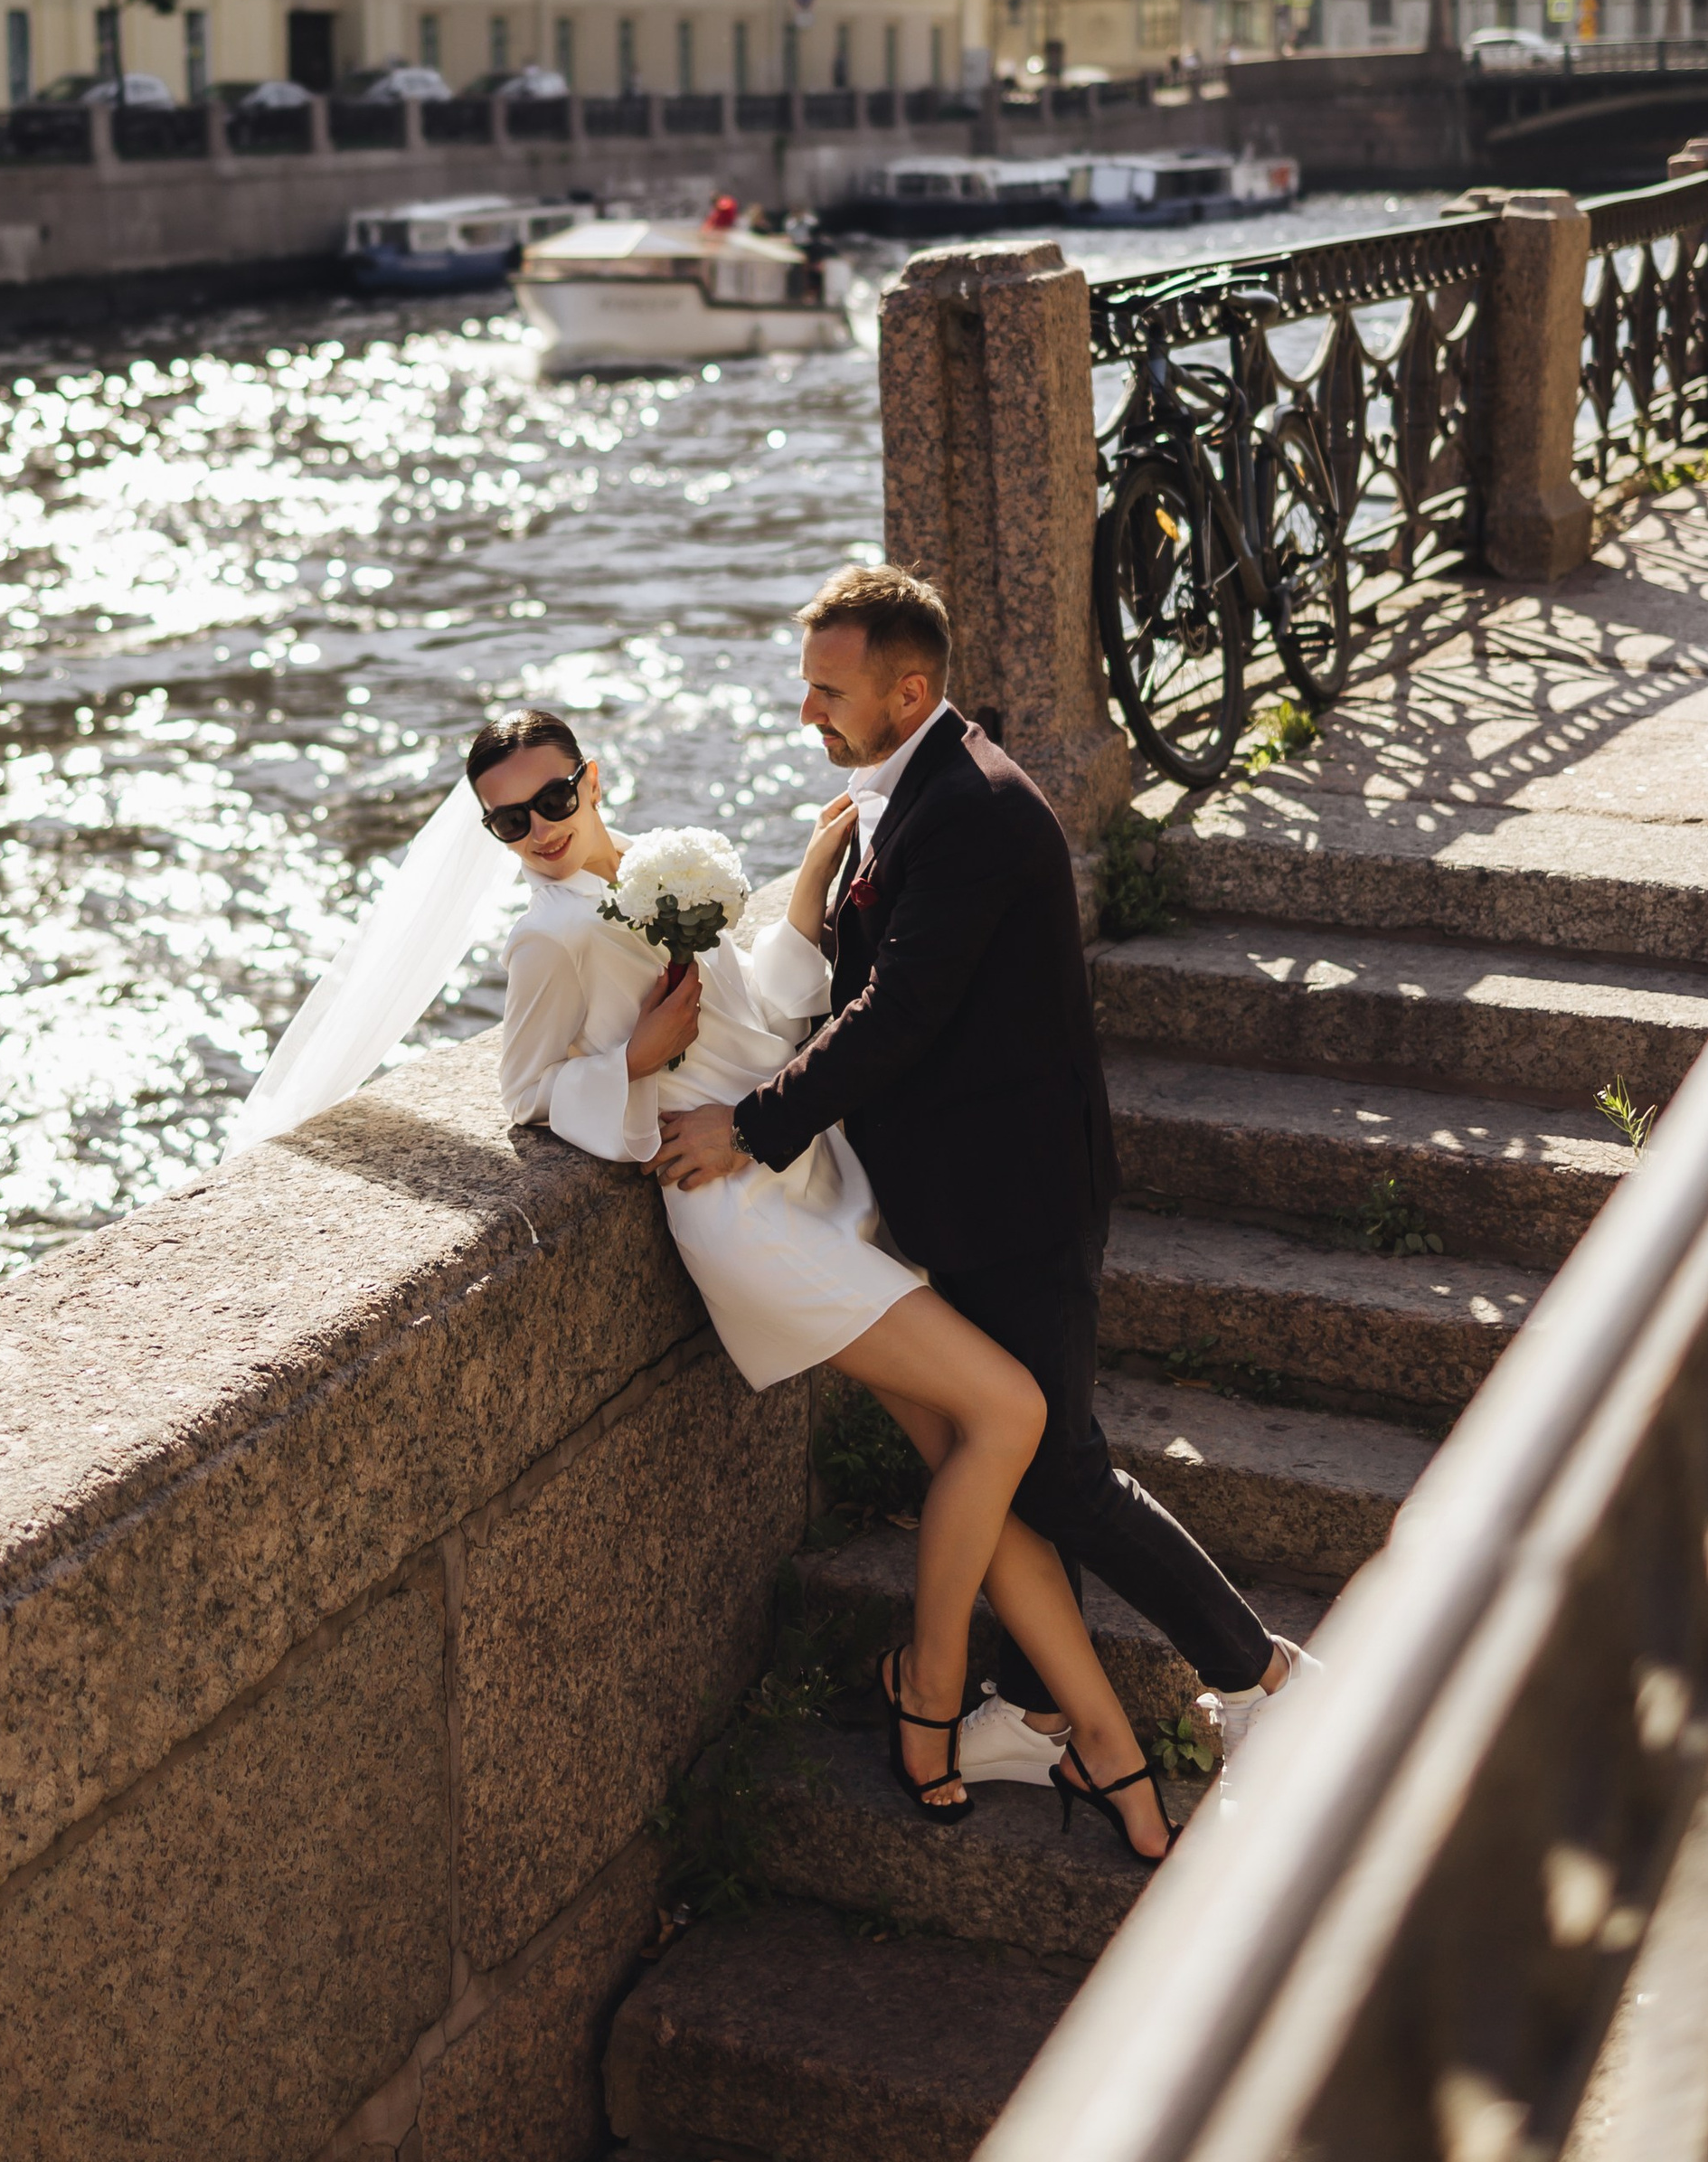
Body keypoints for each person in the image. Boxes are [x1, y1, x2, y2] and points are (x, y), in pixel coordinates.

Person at [652, 563, 1316, 1773]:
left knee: (1058, 1465)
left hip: (1017, 1201)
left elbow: (898, 1012)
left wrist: (751, 1127)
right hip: (961, 1187)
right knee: (1007, 1447)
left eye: (828, 691)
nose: (808, 713)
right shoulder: (902, 784)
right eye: (807, 688)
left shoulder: (974, 810)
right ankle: (1037, 1707)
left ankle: (1260, 1671)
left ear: (911, 691)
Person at [476, 704, 1171, 1849]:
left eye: (553, 797)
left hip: (811, 1174)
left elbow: (763, 1011)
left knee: (967, 1450)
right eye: (508, 820)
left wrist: (804, 880)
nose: (539, 828)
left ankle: (1105, 1747)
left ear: (593, 778)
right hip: (739, 1215)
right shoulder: (547, 937)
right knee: (1010, 1410)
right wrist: (630, 1063)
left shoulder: (661, 865)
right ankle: (930, 1684)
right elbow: (521, 1095)